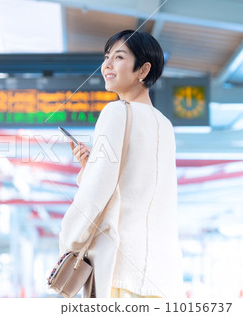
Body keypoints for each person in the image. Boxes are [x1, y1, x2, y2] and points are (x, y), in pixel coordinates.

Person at [59, 30, 184, 298]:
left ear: (144, 69)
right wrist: (89, 169)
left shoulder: (116, 111)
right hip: (163, 276)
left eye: (118, 57)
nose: (107, 65)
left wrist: (69, 242)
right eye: (106, 58)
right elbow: (141, 185)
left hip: (120, 270)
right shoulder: (165, 125)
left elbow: (96, 194)